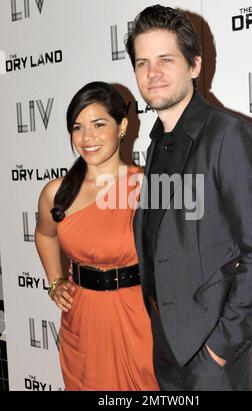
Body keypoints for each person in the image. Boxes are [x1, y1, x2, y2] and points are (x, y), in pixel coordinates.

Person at [125, 5, 252, 391]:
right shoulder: (158, 142)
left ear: (194, 66)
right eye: (142, 62)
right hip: (166, 344)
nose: (152, 73)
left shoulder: (231, 137)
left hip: (211, 356)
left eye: (166, 59)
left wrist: (220, 346)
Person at [35, 81, 159, 391]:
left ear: (122, 126)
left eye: (98, 124)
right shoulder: (57, 192)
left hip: (137, 318)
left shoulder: (148, 187)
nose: (87, 137)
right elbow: (44, 234)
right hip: (83, 320)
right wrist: (54, 281)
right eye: (77, 128)